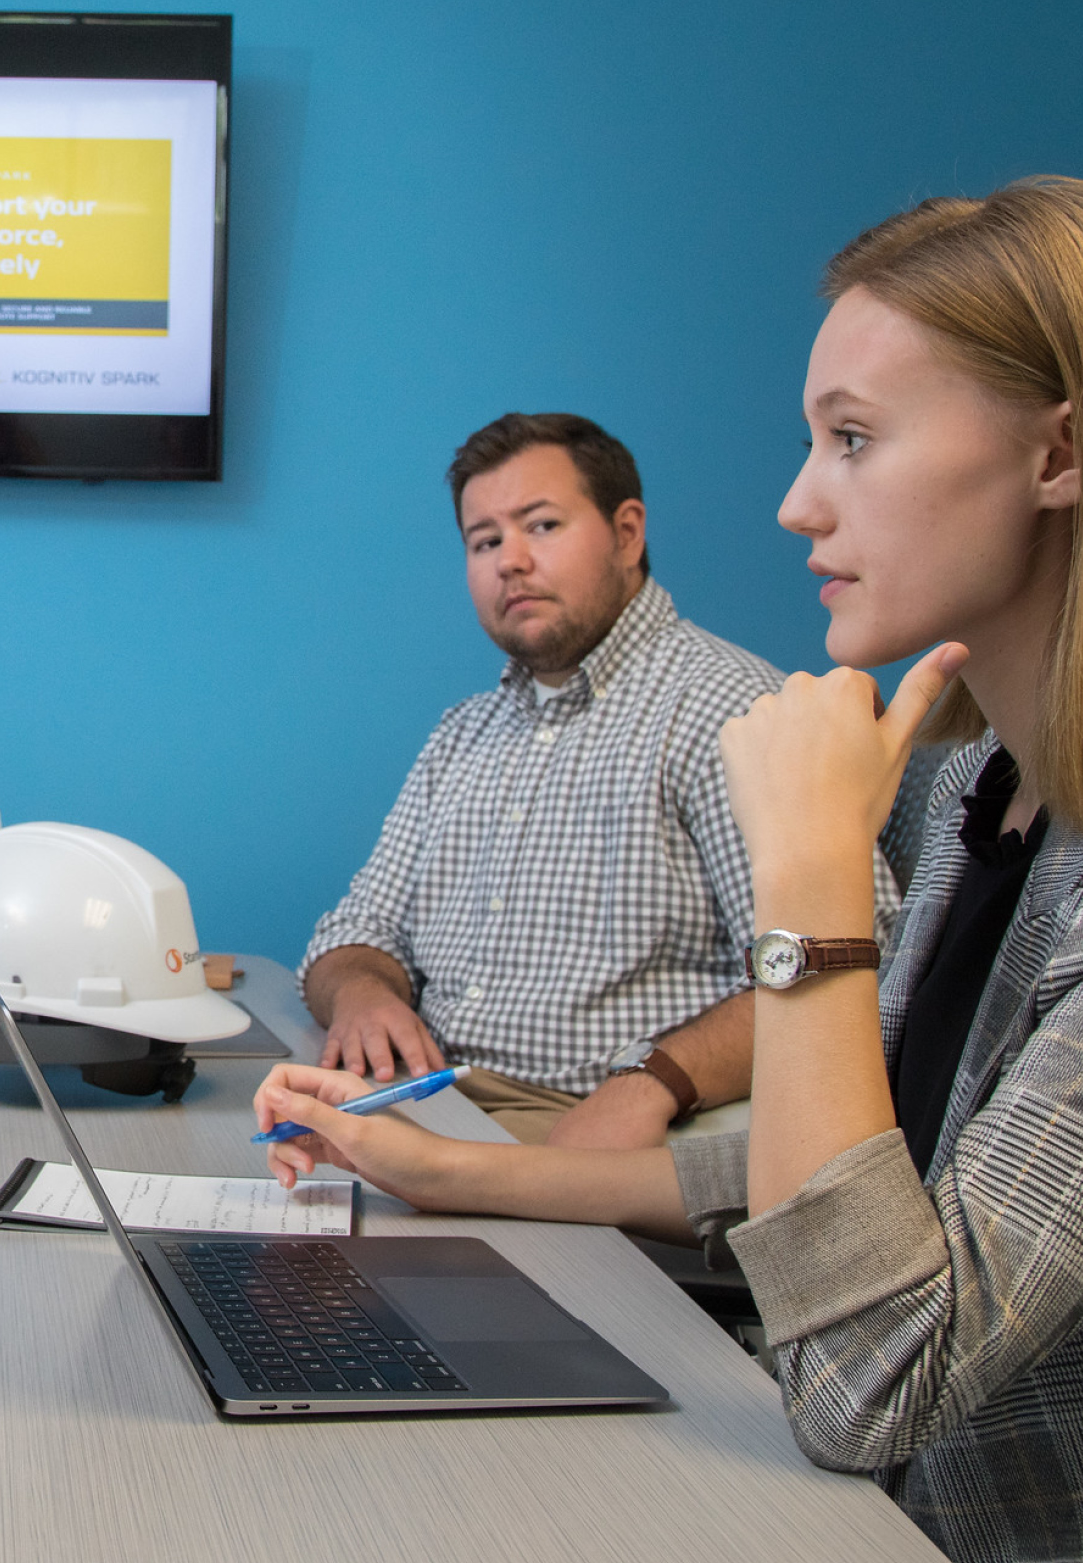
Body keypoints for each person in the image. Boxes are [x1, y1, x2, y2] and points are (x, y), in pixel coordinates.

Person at [256, 180, 1083, 1562]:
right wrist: (437, 1169)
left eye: (852, 440)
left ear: (1059, 455)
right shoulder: (980, 798)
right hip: (845, 1502)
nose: (791, 502)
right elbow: (803, 1184)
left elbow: (872, 1373)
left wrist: (812, 882)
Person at [300, 411, 900, 1149]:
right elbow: (357, 927)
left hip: (594, 1123)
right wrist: (359, 993)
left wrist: (659, 1076)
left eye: (541, 526)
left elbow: (847, 967)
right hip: (434, 1097)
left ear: (626, 533)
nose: (508, 561)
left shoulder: (730, 710)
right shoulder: (463, 734)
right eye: (483, 541)